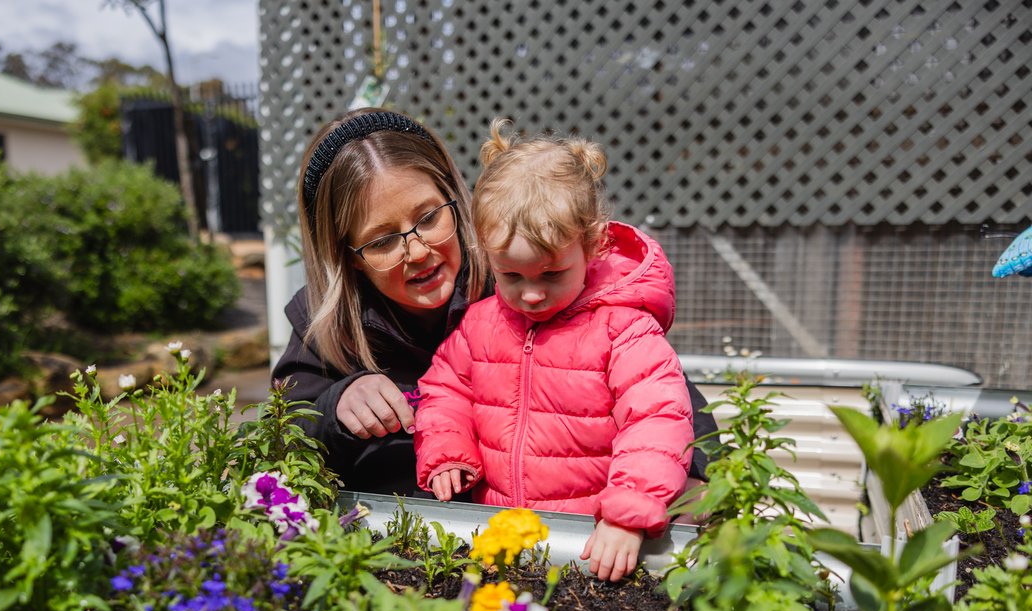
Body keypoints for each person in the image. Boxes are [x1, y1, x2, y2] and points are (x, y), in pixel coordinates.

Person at [271, 107, 715, 502]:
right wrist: (335, 405)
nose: (419, 250)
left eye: (428, 218)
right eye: (383, 240)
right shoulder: (323, 327)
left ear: (456, 201)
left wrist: (695, 481)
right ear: (347, 256)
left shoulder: (522, 282)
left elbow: (668, 403)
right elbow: (279, 441)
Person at [413, 120, 692, 582]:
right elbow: (444, 390)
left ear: (592, 246)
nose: (532, 295)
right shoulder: (482, 323)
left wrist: (628, 514)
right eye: (512, 276)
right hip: (497, 536)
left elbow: (657, 421)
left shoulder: (623, 329)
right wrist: (447, 451)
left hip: (589, 543)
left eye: (551, 274)